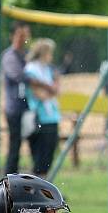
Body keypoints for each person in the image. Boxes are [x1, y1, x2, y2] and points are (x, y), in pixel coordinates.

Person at [0, 23, 56, 175]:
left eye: (25, 35)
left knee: (37, 148)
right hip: (15, 110)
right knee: (15, 147)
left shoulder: (25, 57)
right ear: (13, 36)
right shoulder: (10, 56)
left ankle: (36, 183)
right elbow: (20, 76)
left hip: (29, 109)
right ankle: (9, 181)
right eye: (20, 35)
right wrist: (43, 84)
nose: (23, 39)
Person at [23, 39, 62, 176]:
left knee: (48, 158)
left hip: (51, 117)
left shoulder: (48, 70)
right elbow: (40, 94)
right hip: (40, 118)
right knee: (40, 158)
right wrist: (50, 90)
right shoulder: (31, 70)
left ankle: (44, 189)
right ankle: (36, 189)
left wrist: (51, 90)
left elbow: (56, 90)